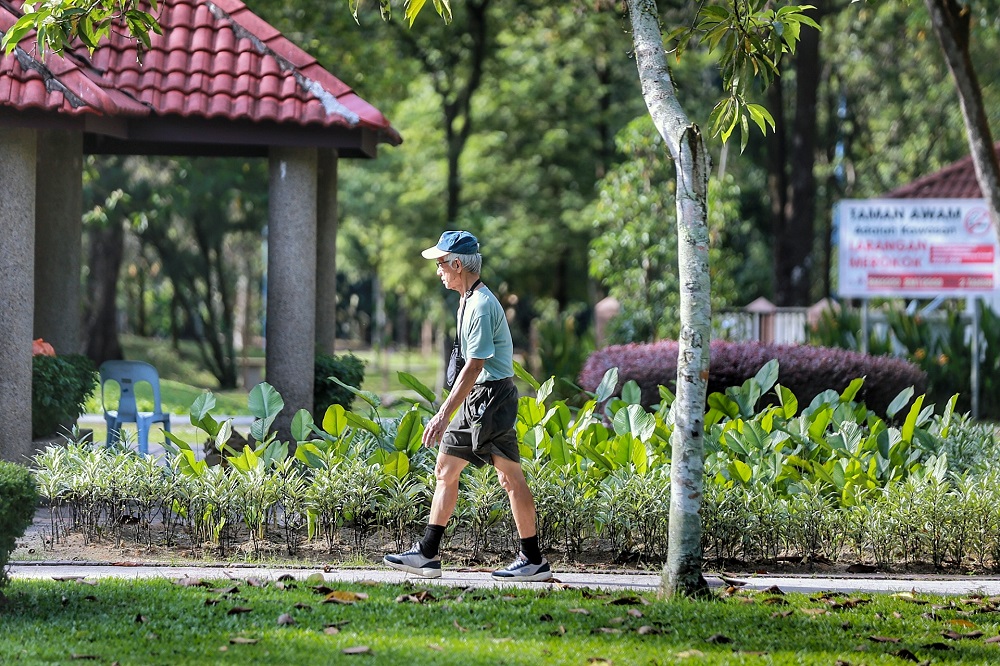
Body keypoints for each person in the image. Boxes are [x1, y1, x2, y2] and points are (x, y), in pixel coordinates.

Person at [383, 230, 552, 582]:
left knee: (509, 478)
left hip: (491, 399)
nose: (438, 270)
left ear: (458, 265)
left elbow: (474, 368)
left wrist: (443, 415)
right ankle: (427, 555)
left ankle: (533, 560)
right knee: (445, 469)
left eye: (442, 263)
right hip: (476, 397)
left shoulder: (480, 305)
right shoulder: (467, 299)